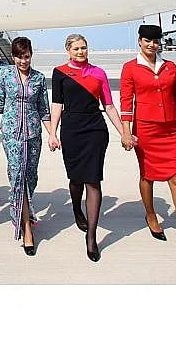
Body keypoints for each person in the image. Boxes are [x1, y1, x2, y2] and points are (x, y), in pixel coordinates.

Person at [120, 24, 176, 262]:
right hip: (146, 130)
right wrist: (126, 132)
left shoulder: (170, 66)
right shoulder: (130, 68)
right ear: (140, 41)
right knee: (147, 175)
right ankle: (150, 214)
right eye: (147, 41)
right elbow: (126, 101)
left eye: (156, 41)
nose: (152, 45)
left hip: (171, 129)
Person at [49, 34, 126, 262]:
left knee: (93, 181)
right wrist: (52, 133)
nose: (81, 52)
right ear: (68, 50)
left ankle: (91, 236)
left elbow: (109, 106)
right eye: (76, 49)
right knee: (76, 179)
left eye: (83, 48)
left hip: (95, 130)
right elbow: (57, 104)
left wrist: (123, 132)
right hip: (71, 129)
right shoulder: (59, 72)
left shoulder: (98, 73)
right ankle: (76, 209)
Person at [0, 37, 51, 255]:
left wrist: (52, 134)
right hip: (12, 133)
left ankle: (22, 213)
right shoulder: (5, 75)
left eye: (27, 56)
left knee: (31, 176)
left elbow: (44, 109)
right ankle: (26, 228)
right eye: (19, 57)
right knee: (17, 176)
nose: (23, 61)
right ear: (13, 57)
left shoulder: (39, 78)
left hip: (33, 134)